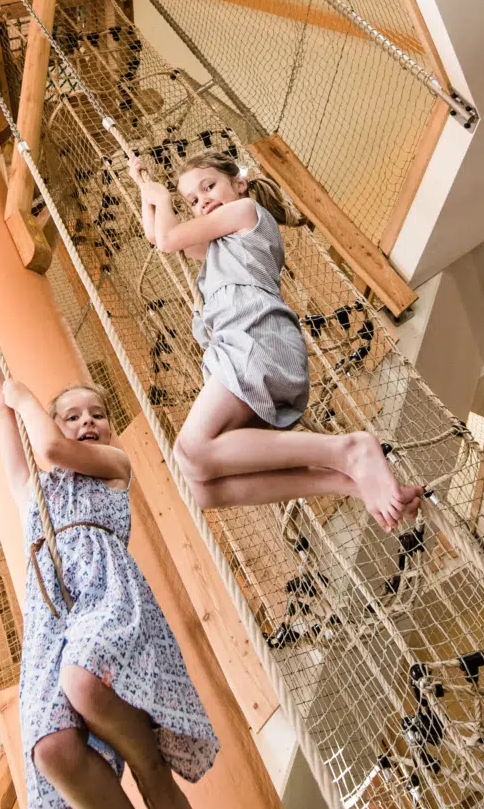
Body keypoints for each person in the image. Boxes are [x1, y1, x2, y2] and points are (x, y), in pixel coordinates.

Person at [0, 309, 218, 809]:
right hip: (50, 612)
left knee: (85, 685)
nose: (86, 423)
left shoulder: (114, 468)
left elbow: (42, 436)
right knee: (51, 750)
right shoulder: (33, 489)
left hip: (104, 592)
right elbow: (5, 418)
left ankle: (157, 782)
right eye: (72, 414)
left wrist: (30, 396)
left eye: (96, 415)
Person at [129, 150, 420, 531]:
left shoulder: (244, 213)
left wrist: (164, 199)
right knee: (203, 488)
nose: (203, 201)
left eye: (209, 186)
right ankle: (348, 482)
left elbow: (167, 238)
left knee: (191, 450)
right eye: (193, 201)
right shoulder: (219, 244)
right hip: (241, 347)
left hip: (257, 338)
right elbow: (158, 235)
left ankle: (347, 450)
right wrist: (142, 187)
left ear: (239, 183)